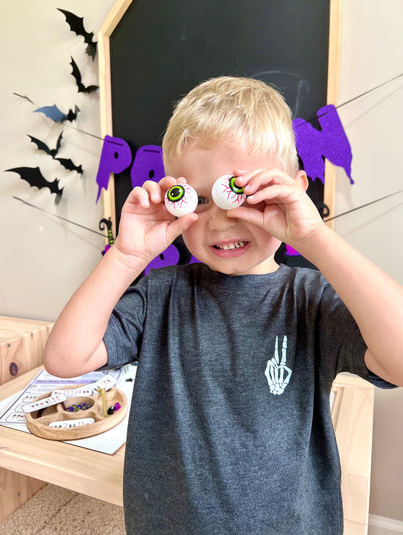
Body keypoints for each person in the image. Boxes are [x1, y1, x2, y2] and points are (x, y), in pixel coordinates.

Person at [44, 76, 403, 535]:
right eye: (200, 199)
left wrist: (314, 237)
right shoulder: (161, 294)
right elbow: (64, 359)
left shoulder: (310, 300)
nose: (220, 221)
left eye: (242, 195)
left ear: (293, 189)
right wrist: (126, 256)